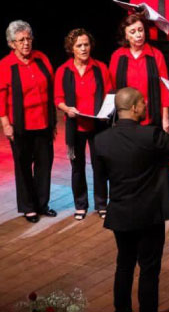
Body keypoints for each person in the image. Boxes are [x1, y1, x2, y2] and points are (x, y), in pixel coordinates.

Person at [94, 87, 169, 312]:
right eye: (142, 102)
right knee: (149, 269)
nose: (146, 105)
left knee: (124, 265)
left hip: (120, 213)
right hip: (149, 214)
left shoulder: (100, 141)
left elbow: (100, 182)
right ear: (133, 108)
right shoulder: (150, 135)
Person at [0, 20, 56, 223]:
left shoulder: (41, 58)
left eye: (28, 38)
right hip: (20, 124)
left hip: (43, 121)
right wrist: (6, 124)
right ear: (12, 44)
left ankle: (42, 204)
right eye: (21, 40)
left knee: (44, 164)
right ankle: (28, 207)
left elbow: (51, 85)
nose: (26, 43)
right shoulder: (6, 65)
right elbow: (1, 97)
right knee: (23, 166)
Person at [54, 29, 113, 220]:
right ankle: (80, 205)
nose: (83, 48)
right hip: (75, 125)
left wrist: (106, 112)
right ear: (71, 48)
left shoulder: (100, 68)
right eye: (79, 45)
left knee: (100, 166)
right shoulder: (64, 71)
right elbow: (58, 98)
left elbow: (109, 94)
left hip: (98, 125)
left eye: (86, 44)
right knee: (77, 167)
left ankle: (101, 204)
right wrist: (67, 109)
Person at [109, 14, 169, 132]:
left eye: (140, 30)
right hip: (126, 118)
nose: (138, 35)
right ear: (126, 36)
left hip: (151, 115)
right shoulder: (117, 56)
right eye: (132, 32)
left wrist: (166, 117)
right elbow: (112, 88)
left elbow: (164, 89)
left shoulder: (156, 55)